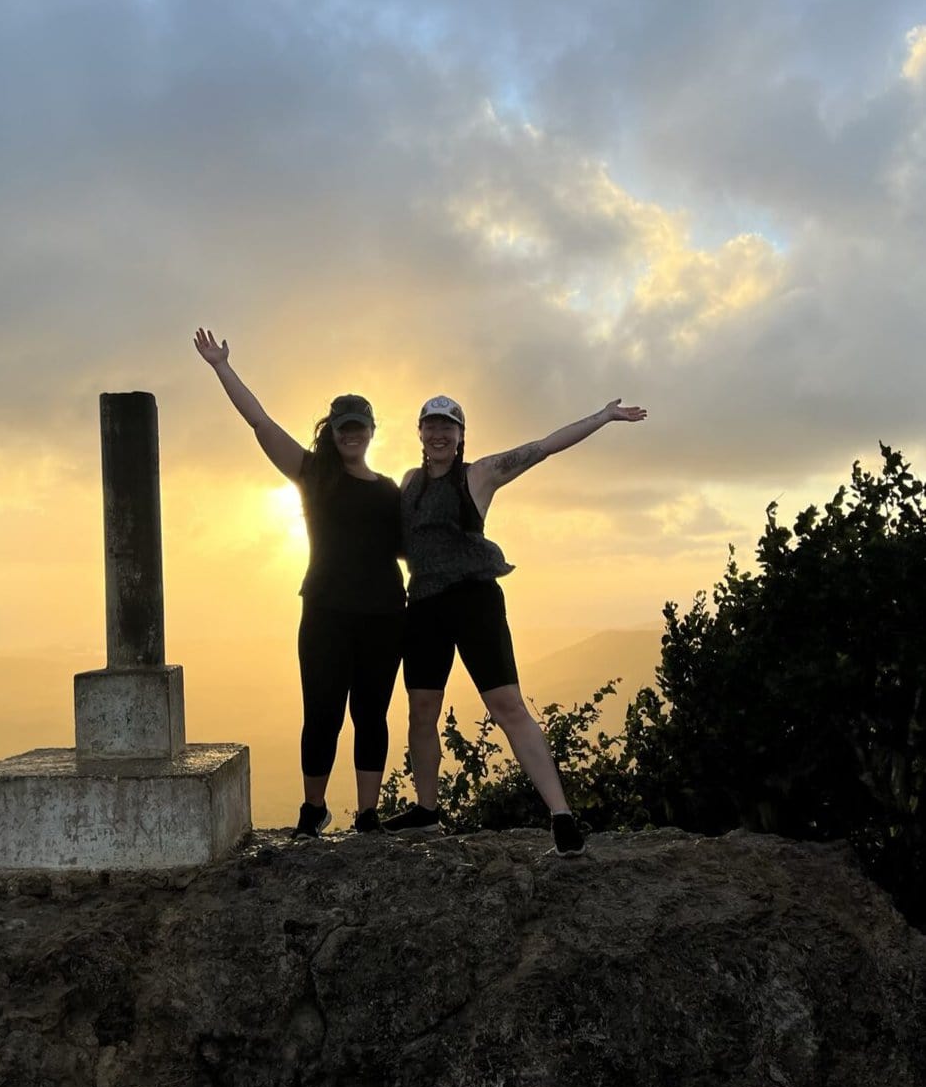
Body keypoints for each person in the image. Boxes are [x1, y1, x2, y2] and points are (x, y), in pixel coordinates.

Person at [385, 393, 648, 855]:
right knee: (421, 710)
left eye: (449, 426)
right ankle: (427, 812)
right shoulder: (410, 483)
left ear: (461, 435)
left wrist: (603, 417)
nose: (439, 434)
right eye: (431, 426)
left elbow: (544, 446)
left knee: (507, 705)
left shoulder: (480, 474)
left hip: (474, 600)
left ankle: (561, 816)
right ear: (420, 433)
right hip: (424, 604)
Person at [194, 328, 405, 838]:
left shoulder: (391, 490)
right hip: (326, 613)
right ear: (332, 431)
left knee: (372, 715)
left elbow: (413, 548)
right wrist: (222, 366)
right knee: (322, 715)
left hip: (384, 615)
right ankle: (314, 810)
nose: (351, 434)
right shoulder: (313, 474)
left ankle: (368, 814)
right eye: (343, 427)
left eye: (358, 427)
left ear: (372, 431)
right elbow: (260, 422)